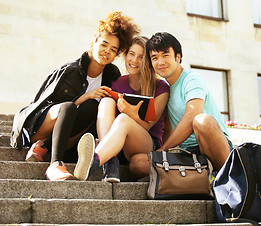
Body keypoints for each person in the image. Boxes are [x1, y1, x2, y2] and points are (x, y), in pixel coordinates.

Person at [10, 11, 140, 181]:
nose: (107, 51)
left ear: (116, 55)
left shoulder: (111, 75)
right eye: (104, 44)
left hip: (68, 137)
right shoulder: (70, 70)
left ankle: (45, 148)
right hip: (41, 127)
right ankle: (55, 164)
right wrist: (84, 97)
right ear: (93, 43)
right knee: (70, 106)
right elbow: (43, 104)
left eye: (113, 49)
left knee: (94, 107)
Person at [73, 36, 170, 181]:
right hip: (120, 144)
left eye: (141, 57)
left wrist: (130, 112)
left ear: (148, 61)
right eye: (131, 54)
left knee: (124, 119)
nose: (134, 60)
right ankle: (110, 162)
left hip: (147, 143)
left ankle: (94, 161)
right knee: (106, 101)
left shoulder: (161, 87)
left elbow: (148, 125)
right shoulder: (118, 83)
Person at [145, 32, 233, 171]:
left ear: (178, 57)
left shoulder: (192, 79)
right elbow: (166, 129)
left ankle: (230, 176)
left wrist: (164, 149)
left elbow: (192, 116)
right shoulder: (164, 90)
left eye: (165, 55)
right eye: (154, 58)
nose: (160, 62)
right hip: (188, 153)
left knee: (202, 121)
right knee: (139, 163)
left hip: (215, 146)